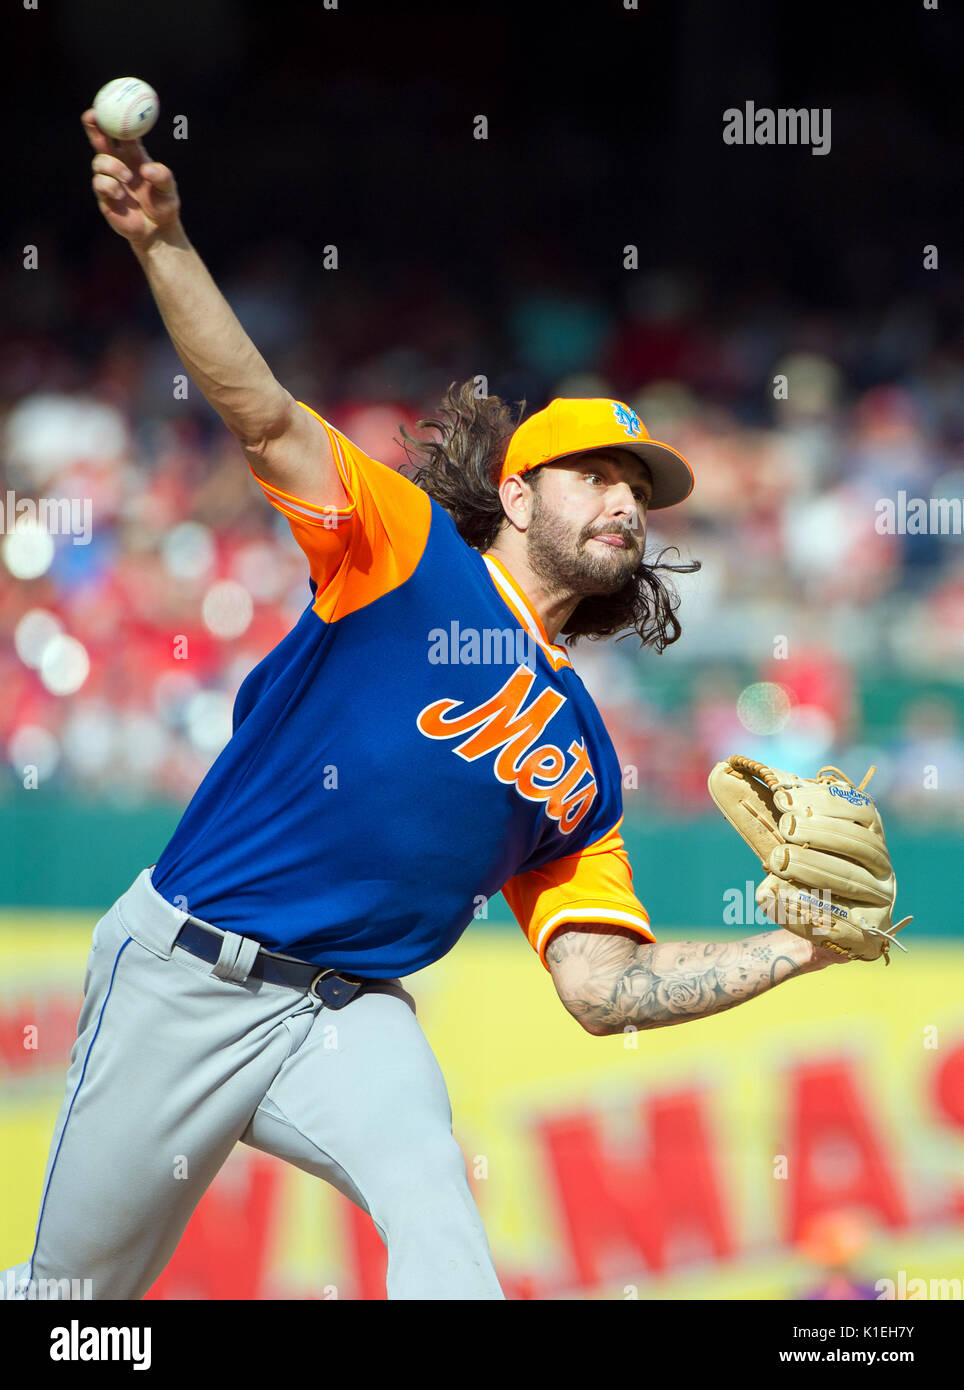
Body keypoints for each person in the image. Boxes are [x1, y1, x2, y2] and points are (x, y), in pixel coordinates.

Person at [2, 112, 848, 1303]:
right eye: (595, 474)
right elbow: (263, 413)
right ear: (514, 490)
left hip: (350, 1019)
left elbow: (605, 993)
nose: (624, 499)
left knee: (449, 1257)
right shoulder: (403, 553)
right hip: (184, 974)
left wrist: (792, 948)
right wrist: (164, 244)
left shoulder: (587, 765)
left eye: (638, 488)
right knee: (70, 1305)